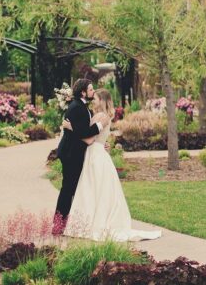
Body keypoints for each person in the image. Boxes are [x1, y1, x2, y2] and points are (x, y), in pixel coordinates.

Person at [62, 89, 161, 242]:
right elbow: (94, 137)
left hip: (95, 156)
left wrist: (71, 128)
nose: (92, 99)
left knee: (92, 189)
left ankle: (91, 225)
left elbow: (89, 139)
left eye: (95, 97)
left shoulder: (101, 116)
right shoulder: (100, 115)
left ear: (101, 100)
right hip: (96, 153)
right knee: (94, 190)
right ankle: (87, 224)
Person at [53, 78, 104, 235]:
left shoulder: (82, 106)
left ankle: (66, 224)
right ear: (83, 92)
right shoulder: (77, 107)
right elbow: (83, 132)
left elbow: (78, 130)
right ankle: (58, 226)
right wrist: (100, 126)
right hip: (70, 154)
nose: (93, 91)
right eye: (90, 89)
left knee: (71, 189)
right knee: (68, 189)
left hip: (73, 152)